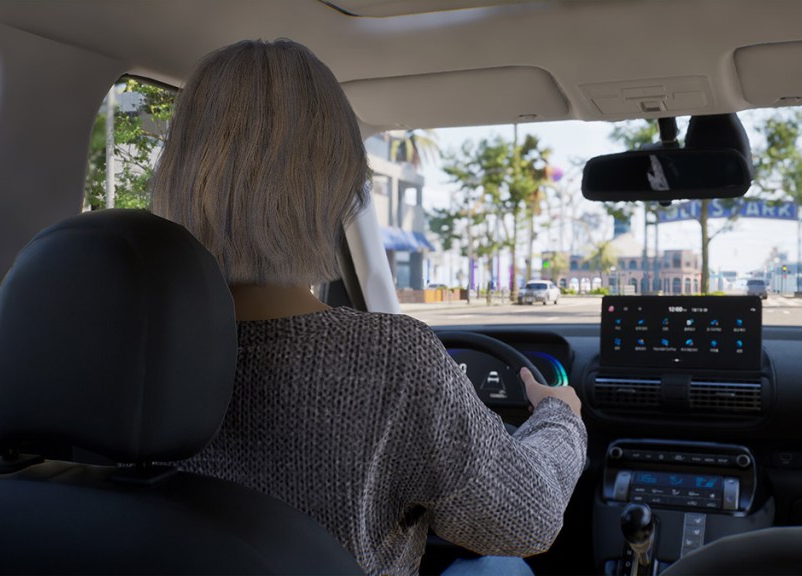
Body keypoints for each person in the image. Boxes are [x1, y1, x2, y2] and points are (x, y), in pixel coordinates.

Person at [151, 39, 586, 576]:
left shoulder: (120, 352)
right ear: (334, 180)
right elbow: (529, 520)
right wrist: (560, 417)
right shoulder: (391, 359)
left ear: (179, 171)